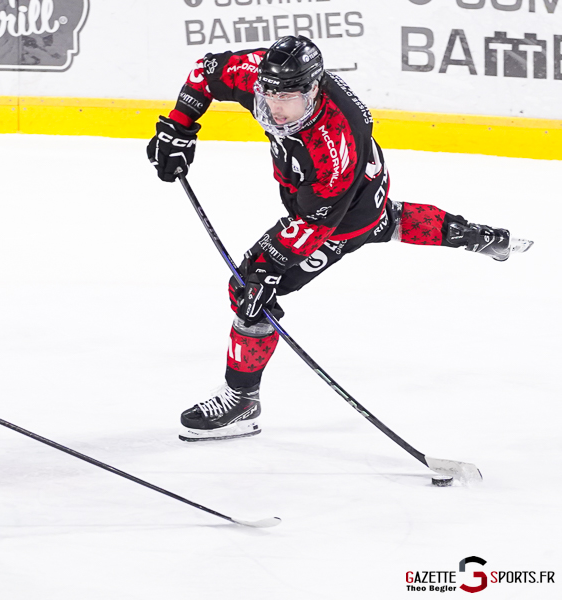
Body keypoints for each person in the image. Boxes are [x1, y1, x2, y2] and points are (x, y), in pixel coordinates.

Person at [146, 36, 533, 443]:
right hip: (362, 189)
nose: (274, 107)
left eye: (287, 97)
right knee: (388, 220)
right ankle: (480, 238)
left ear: (312, 89)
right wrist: (178, 127)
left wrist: (266, 270)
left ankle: (241, 400)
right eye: (268, 94)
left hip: (340, 217)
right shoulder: (263, 76)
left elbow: (315, 224)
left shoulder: (334, 144)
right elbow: (205, 72)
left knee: (249, 288)